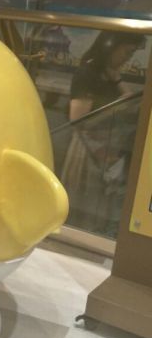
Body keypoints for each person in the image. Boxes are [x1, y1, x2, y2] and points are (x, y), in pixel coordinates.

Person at [60, 31, 146, 235]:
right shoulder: (88, 73)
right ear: (110, 46)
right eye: (127, 52)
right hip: (87, 147)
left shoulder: (108, 73)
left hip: (105, 146)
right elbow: (78, 119)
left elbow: (128, 98)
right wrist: (116, 107)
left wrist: (116, 79)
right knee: (85, 201)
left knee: (100, 203)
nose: (128, 58)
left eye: (132, 54)